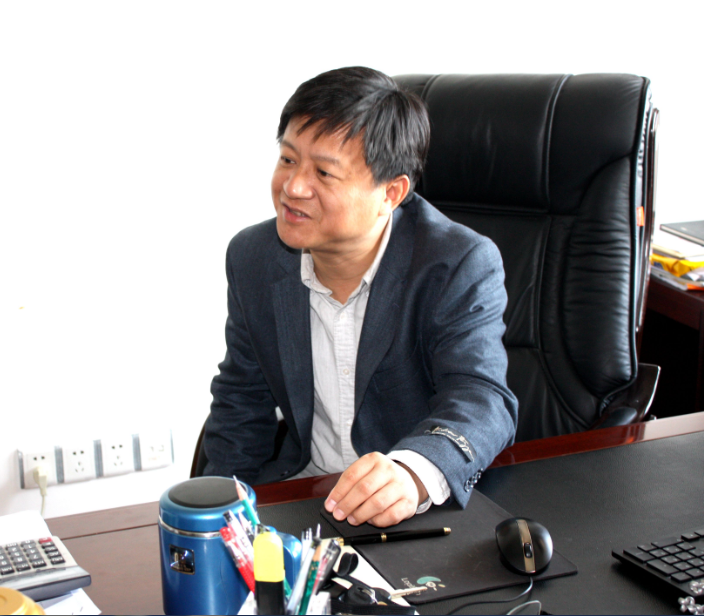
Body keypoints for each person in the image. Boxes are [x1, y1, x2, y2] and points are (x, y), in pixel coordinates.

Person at [202, 67, 517, 528]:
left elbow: (482, 399)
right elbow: (241, 401)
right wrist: (216, 519)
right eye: (288, 159)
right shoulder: (254, 258)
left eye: (323, 172)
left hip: (410, 511)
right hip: (306, 495)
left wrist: (413, 472)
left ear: (391, 193)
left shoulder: (456, 262)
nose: (293, 187)